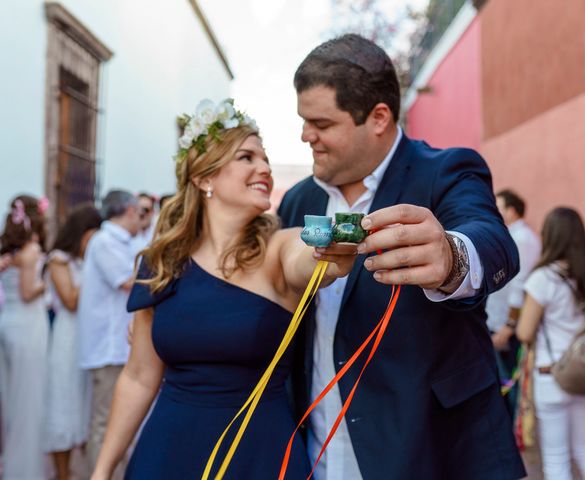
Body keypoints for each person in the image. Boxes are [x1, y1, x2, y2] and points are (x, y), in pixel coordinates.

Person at [278, 34, 526, 479]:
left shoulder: (446, 170)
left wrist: (452, 257)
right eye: (302, 120)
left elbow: (493, 241)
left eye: (321, 123)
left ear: (378, 117)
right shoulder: (295, 201)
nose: (304, 135)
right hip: (316, 450)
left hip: (429, 451)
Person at [90, 99, 357, 479]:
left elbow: (311, 258)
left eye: (265, 159)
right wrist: (101, 471)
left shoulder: (278, 248)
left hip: (258, 454)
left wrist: (331, 249)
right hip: (167, 451)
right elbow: (138, 378)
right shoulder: (161, 262)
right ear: (204, 178)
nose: (264, 168)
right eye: (246, 157)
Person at [516, 207, 585, 480]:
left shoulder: (542, 278)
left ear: (550, 236)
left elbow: (524, 332)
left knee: (557, 460)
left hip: (552, 375)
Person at [78, 190, 140, 477]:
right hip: (107, 347)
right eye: (139, 212)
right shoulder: (104, 243)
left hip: (119, 347)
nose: (141, 219)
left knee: (121, 420)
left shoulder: (125, 242)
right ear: (128, 210)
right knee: (104, 421)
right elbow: (130, 282)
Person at [44, 204, 102, 480]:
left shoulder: (83, 260)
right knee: (62, 404)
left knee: (82, 406)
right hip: (66, 341)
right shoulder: (58, 260)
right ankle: (62, 474)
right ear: (82, 232)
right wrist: (94, 268)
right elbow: (70, 300)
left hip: (87, 339)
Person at [0, 195, 49, 478]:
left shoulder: (7, 250)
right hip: (27, 327)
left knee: (12, 403)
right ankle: (25, 473)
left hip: (6, 323)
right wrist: (47, 279)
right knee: (28, 403)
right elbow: (29, 293)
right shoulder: (30, 252)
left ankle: (15, 468)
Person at [486, 189, 541, 414]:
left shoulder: (523, 239)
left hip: (507, 327)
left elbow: (519, 286)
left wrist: (508, 327)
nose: (495, 211)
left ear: (512, 210)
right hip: (497, 322)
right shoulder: (511, 235)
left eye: (499, 207)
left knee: (507, 387)